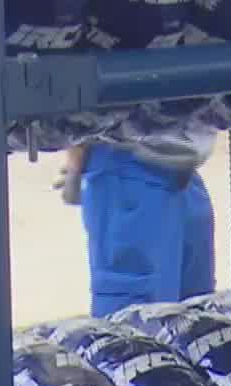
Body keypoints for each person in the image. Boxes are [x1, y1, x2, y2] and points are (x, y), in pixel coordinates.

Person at [59, 126, 217, 317]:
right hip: (129, 167)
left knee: (197, 318)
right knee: (135, 322)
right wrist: (76, 154)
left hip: (184, 167)